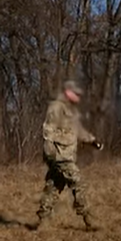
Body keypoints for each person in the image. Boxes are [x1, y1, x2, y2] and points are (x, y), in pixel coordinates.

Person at [34, 80, 103, 231]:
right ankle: (89, 219)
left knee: (53, 187)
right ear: (68, 92)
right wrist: (50, 152)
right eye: (76, 93)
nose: (79, 96)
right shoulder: (56, 107)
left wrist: (93, 141)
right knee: (78, 183)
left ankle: (43, 222)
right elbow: (48, 130)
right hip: (60, 155)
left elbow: (78, 131)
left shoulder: (72, 110)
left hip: (66, 155)